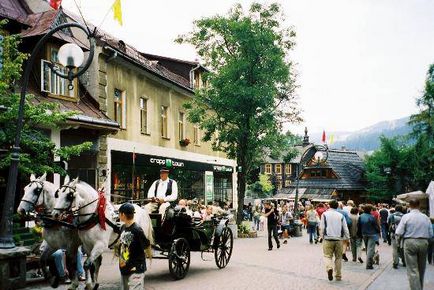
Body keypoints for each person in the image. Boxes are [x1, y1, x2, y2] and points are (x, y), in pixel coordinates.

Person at [395, 199, 433, 290]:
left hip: (410, 242)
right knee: (421, 268)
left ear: (410, 205)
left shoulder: (406, 217)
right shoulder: (425, 217)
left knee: (412, 269)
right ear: (419, 205)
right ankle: (420, 287)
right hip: (423, 242)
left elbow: (399, 232)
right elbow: (431, 234)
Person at [118, 203, 150, 290]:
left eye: (119, 213)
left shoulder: (137, 230)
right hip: (124, 268)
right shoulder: (123, 227)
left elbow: (146, 245)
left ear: (123, 214)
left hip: (136, 269)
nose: (118, 216)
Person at [319, 200, 350, 282]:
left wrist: (321, 236)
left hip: (328, 238)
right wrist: (347, 238)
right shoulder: (341, 215)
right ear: (337, 206)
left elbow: (322, 227)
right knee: (338, 257)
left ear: (329, 205)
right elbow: (345, 228)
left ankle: (329, 268)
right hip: (338, 239)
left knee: (327, 256)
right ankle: (338, 275)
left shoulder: (324, 214)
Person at [358, 204, 380, 269]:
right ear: (370, 210)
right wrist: (378, 232)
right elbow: (376, 227)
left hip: (364, 234)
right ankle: (369, 264)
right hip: (372, 234)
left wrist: (359, 235)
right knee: (370, 249)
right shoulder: (372, 217)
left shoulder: (361, 216)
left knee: (368, 248)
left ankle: (370, 261)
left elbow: (359, 226)